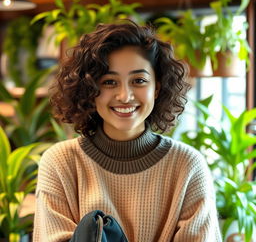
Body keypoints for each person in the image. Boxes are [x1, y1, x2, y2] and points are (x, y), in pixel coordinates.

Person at [33, 20, 222, 242]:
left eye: (139, 81)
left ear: (157, 88)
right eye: (110, 82)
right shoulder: (61, 163)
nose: (125, 96)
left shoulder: (188, 166)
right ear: (91, 88)